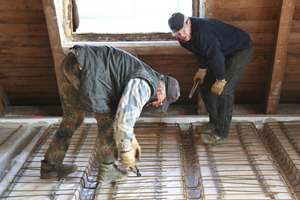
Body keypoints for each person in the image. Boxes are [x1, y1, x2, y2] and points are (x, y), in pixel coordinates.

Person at [40, 45, 180, 182]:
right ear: (161, 91)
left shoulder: (147, 76)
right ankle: (108, 170)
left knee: (73, 118)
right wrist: (126, 149)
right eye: (162, 101)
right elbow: (124, 117)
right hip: (89, 69)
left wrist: (132, 139)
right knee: (108, 122)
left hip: (72, 62)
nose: (158, 104)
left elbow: (126, 108)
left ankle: (50, 165)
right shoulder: (145, 84)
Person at [168, 12, 253, 144]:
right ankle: (214, 122)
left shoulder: (203, 31)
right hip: (222, 51)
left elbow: (215, 56)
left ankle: (221, 134)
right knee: (205, 85)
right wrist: (202, 69)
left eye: (183, 30)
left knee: (225, 91)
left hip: (239, 48)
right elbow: (198, 51)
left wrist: (221, 79)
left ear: (189, 22)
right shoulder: (182, 39)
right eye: (178, 33)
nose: (182, 35)